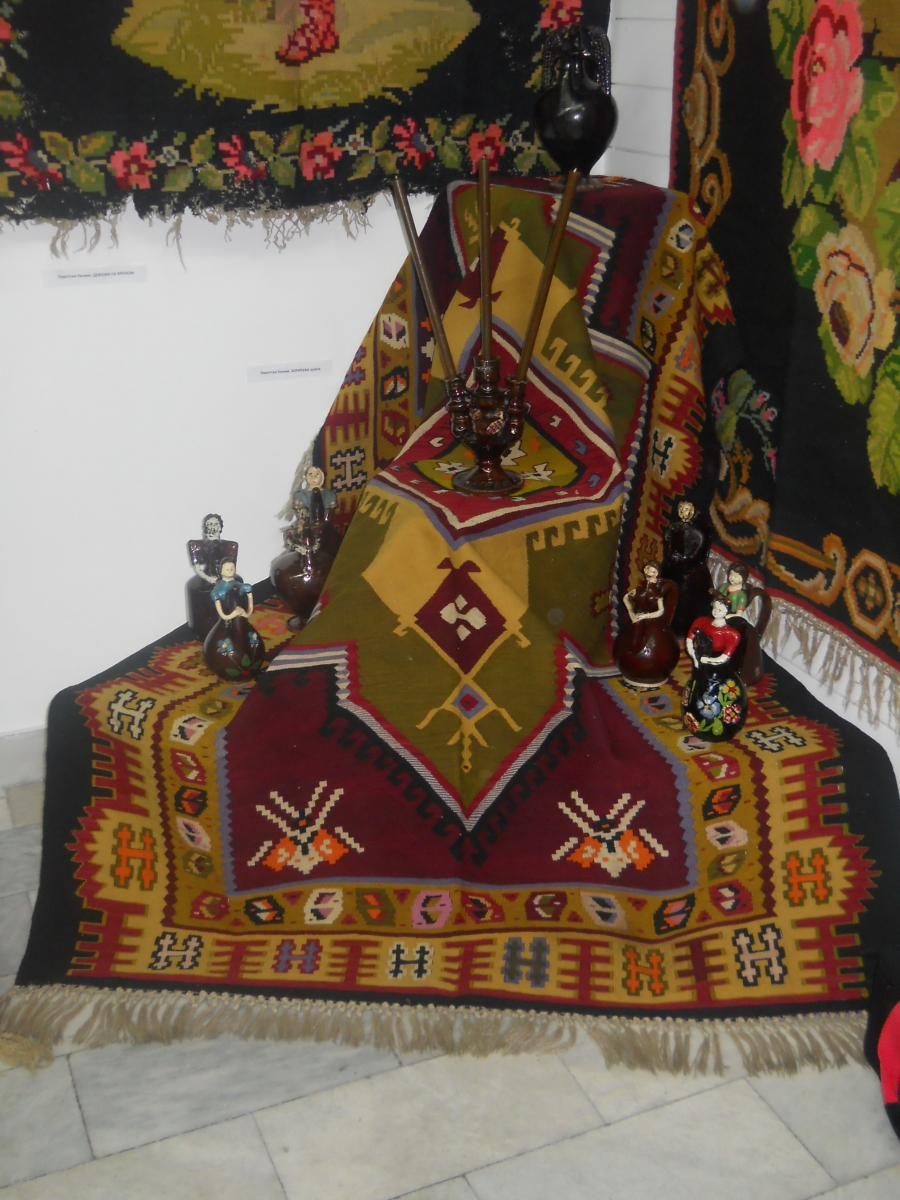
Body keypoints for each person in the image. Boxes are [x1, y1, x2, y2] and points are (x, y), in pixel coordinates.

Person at [614, 561, 680, 687]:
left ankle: (653, 673)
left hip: (653, 622)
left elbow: (661, 611)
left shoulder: (658, 594)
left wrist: (645, 616)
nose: (650, 572)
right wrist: (631, 613)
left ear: (657, 574)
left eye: (653, 571)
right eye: (648, 569)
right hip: (637, 620)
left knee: (658, 648)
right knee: (629, 644)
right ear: (645, 570)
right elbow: (626, 598)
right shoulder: (638, 590)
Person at [662, 498, 713, 637]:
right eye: (681, 509)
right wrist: (671, 556)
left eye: (686, 509)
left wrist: (686, 558)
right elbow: (668, 546)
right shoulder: (672, 528)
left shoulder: (697, 533)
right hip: (672, 570)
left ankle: (688, 630)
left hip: (690, 575)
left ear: (692, 512)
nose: (683, 512)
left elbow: (698, 551)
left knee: (689, 604)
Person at [186, 514, 240, 638]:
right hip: (207, 577)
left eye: (215, 524)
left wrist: (226, 577)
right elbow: (197, 567)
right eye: (209, 524)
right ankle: (206, 630)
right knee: (203, 593)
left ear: (220, 527)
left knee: (234, 588)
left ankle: (232, 624)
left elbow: (231, 566)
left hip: (224, 577)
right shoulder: (197, 545)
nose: (212, 527)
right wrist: (208, 578)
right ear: (205, 527)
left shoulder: (229, 546)